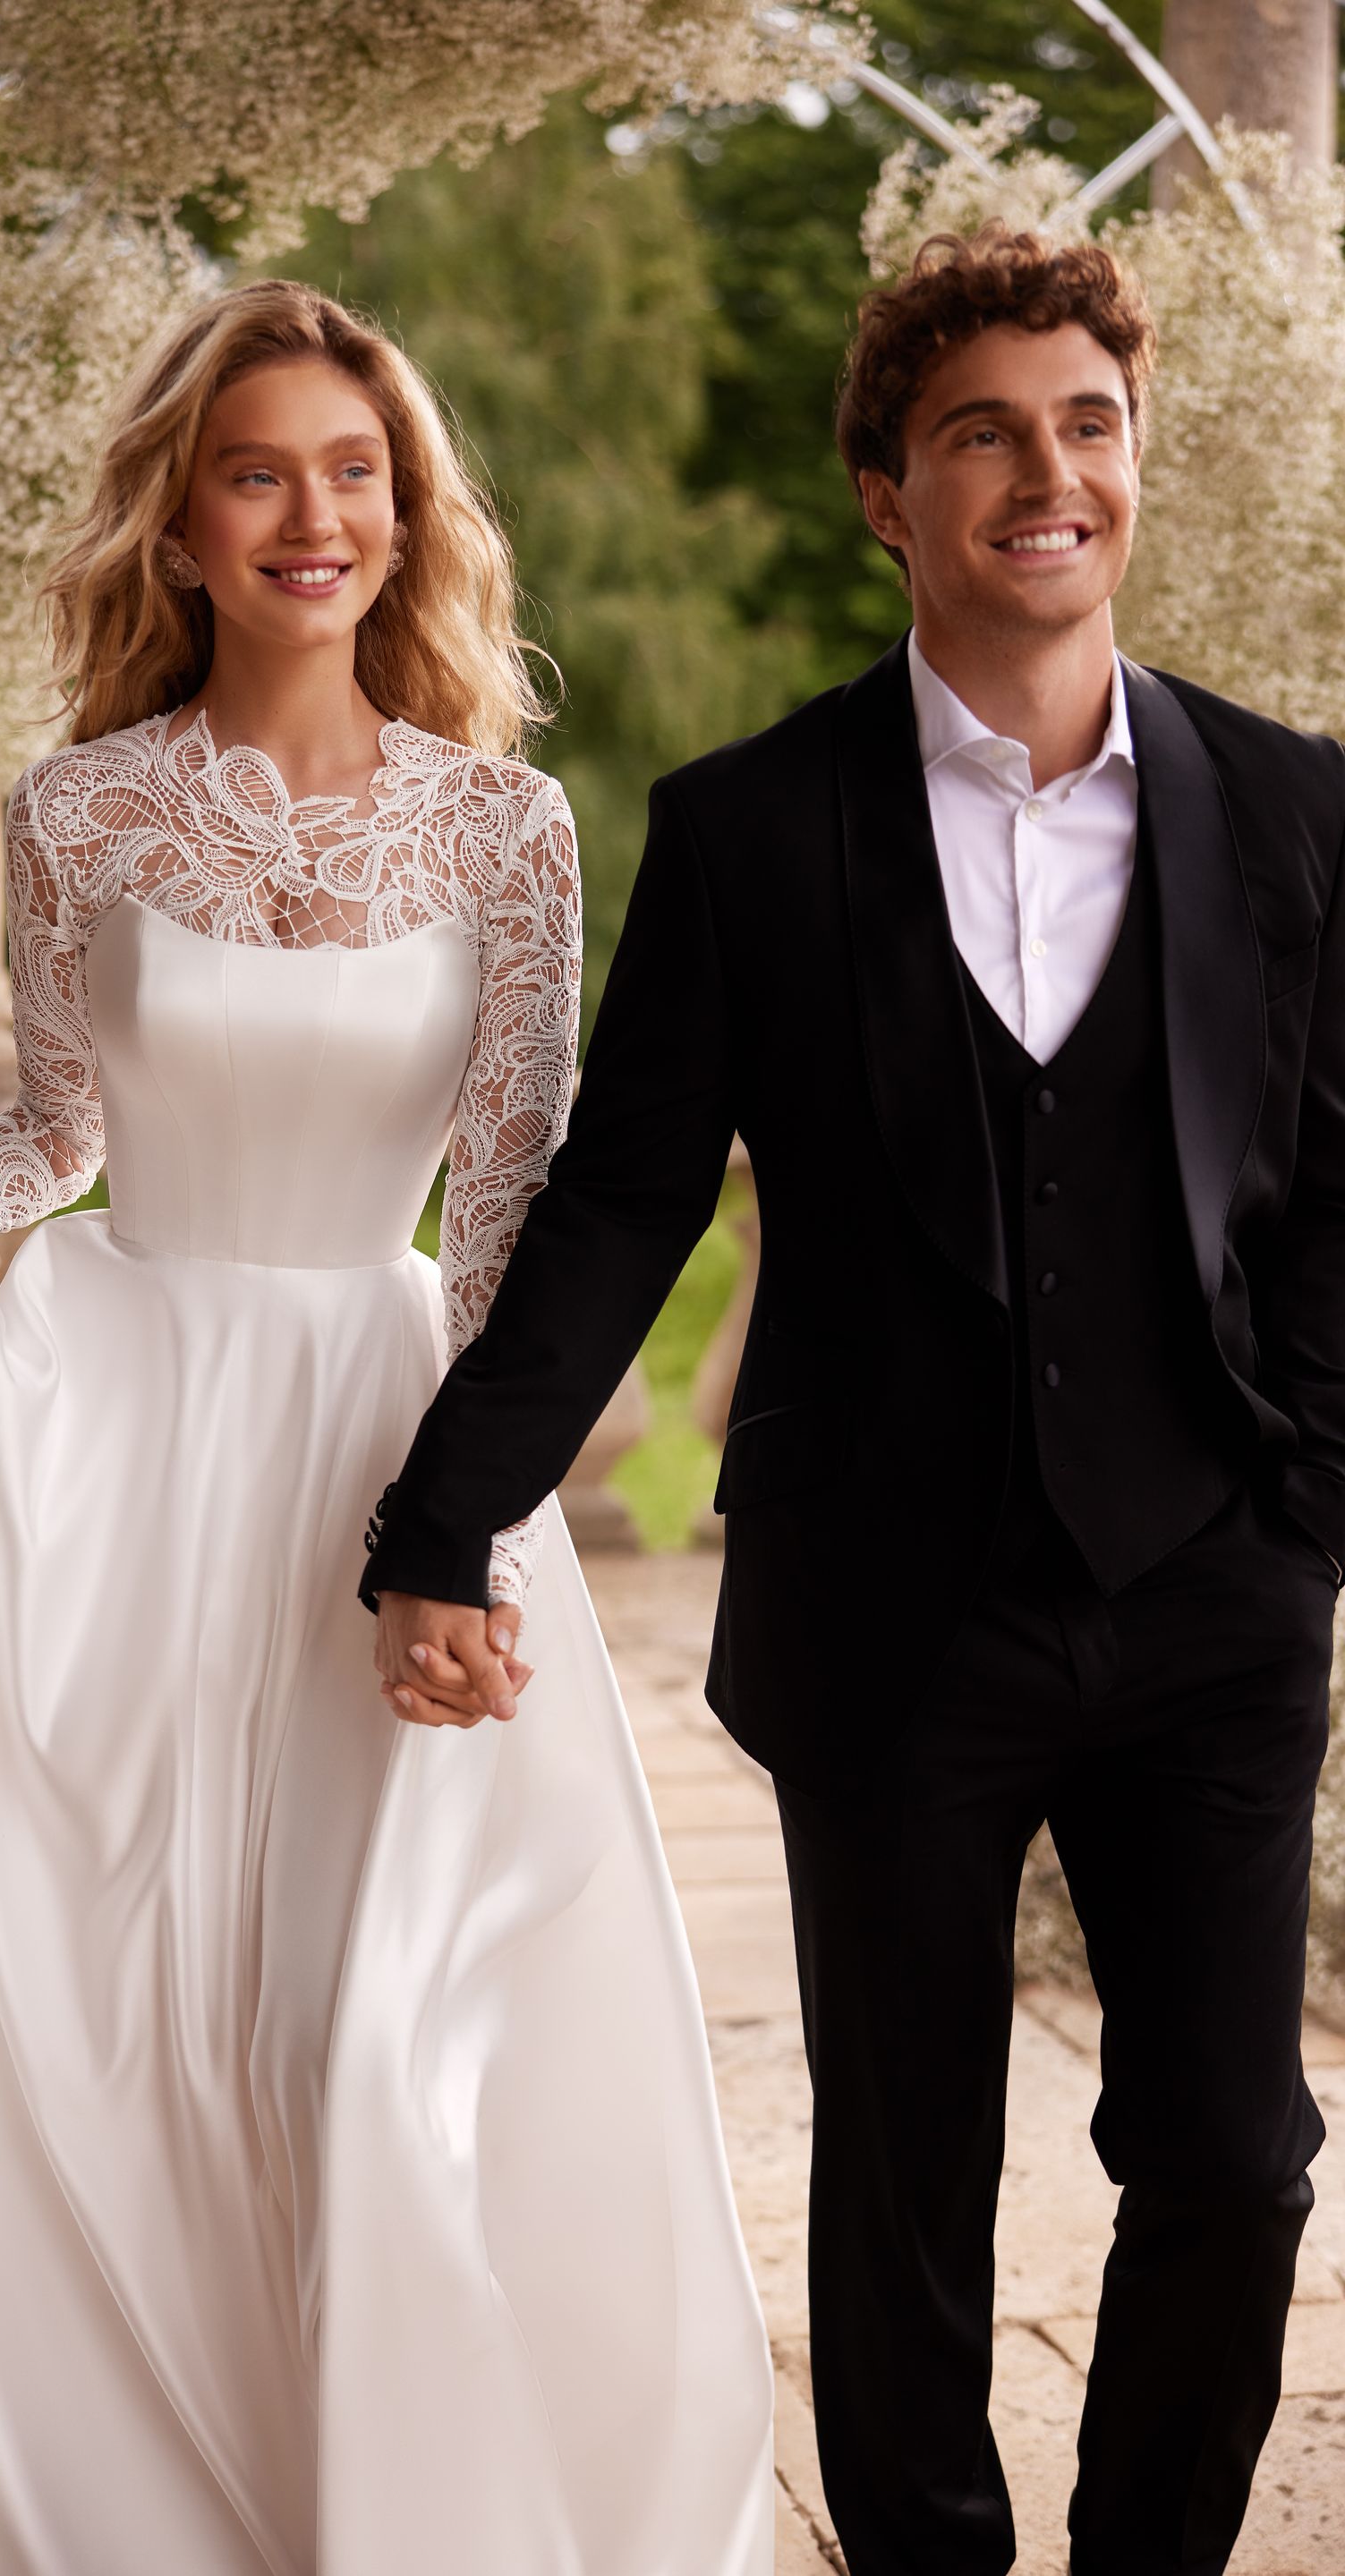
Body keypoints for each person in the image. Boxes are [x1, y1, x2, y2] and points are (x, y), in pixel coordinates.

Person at [0, 280, 776, 2576]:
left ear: (408, 513)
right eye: (259, 470)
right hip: (110, 1433)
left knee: (370, 2021)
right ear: (183, 520)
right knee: (113, 2012)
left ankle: (396, 2499)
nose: (312, 514)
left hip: (385, 1440)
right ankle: (112, 2487)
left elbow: (520, 1220)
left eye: (356, 472)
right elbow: (50, 1130)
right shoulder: (80, 810)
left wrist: (486, 1525)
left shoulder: (507, 833)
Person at [364, 225, 1344, 2576]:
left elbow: (1329, 1189)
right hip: (889, 1602)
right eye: (983, 431)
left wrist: (1303, 1489)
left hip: (1212, 1588)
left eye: (1087, 423)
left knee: (1233, 2149)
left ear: (1136, 465)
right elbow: (618, 1207)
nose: (1048, 472)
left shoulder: (1299, 812)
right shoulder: (753, 826)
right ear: (888, 496)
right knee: (907, 2172)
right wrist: (442, 1519)